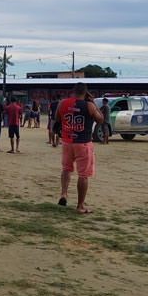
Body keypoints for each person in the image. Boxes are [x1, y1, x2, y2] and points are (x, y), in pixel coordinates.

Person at [57, 82, 103, 214]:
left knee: (66, 169)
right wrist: (93, 102)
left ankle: (64, 194)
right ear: (86, 92)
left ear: (73, 91)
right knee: (83, 175)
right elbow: (101, 120)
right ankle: (80, 206)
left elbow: (57, 118)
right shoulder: (89, 106)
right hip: (83, 143)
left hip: (67, 141)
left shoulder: (63, 103)